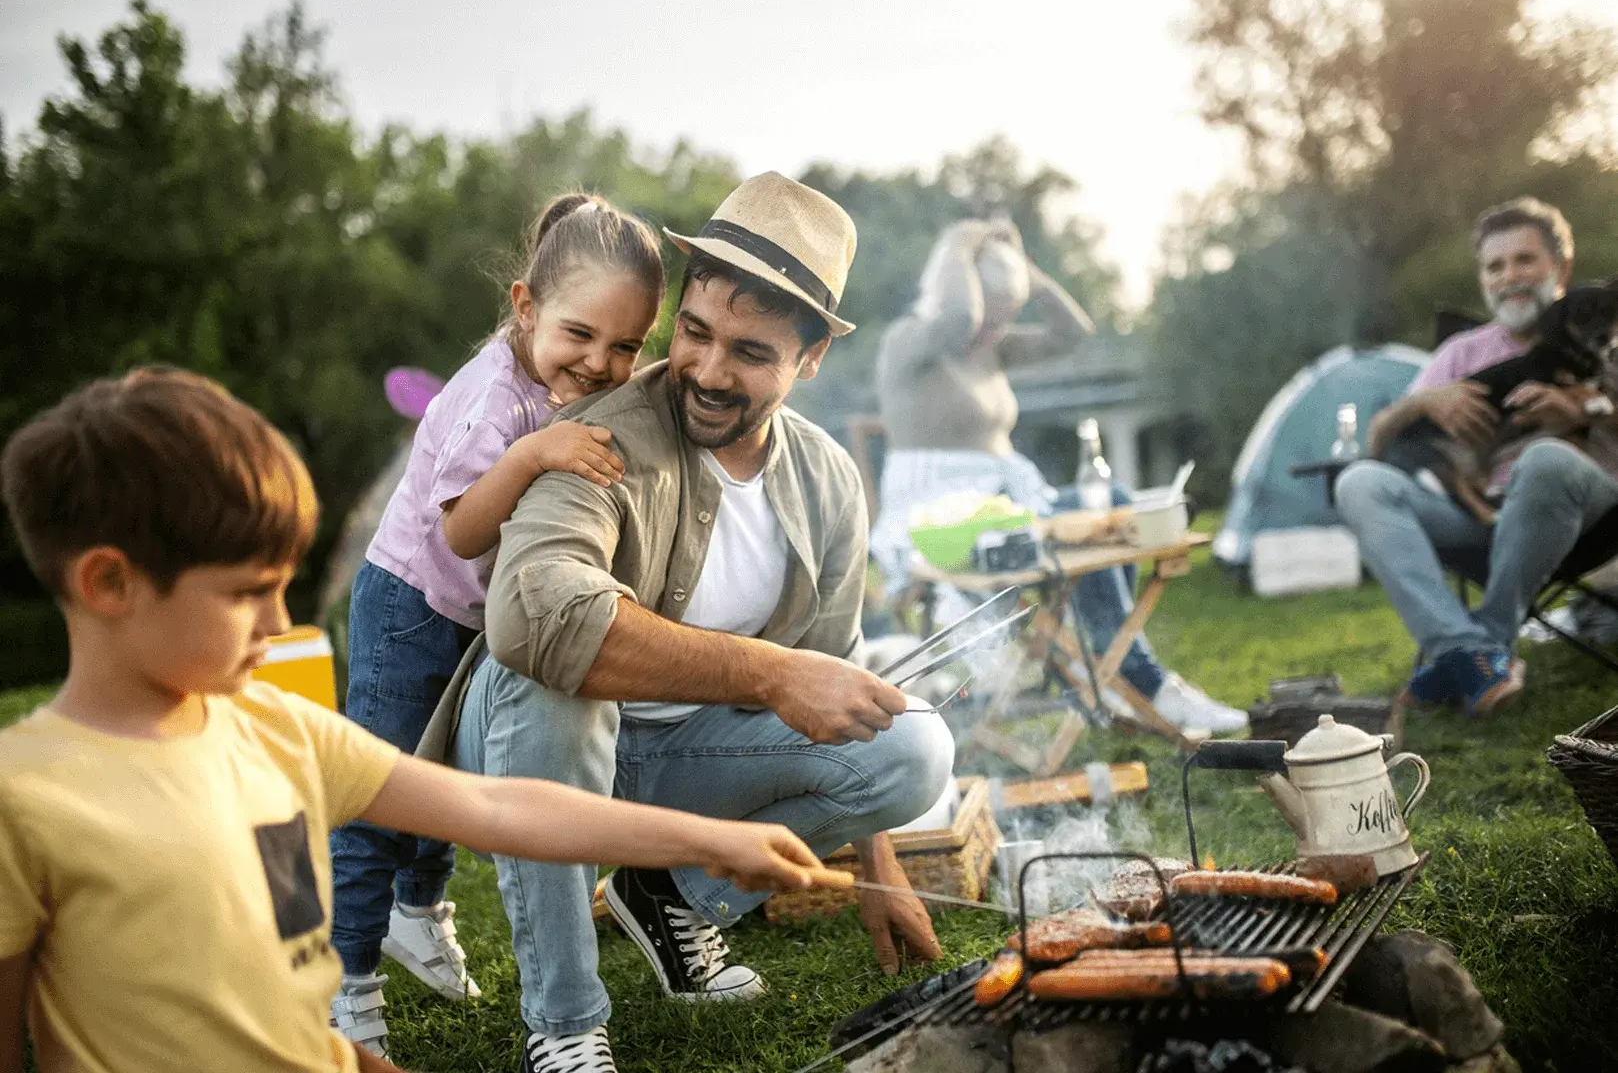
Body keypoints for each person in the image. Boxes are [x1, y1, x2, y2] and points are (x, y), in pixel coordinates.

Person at [0, 368, 842, 1073]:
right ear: (110, 584)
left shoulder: (278, 731)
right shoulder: (28, 805)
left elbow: (499, 808)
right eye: (247, 593)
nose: (278, 619)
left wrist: (710, 844)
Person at [416, 172, 956, 1073]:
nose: (706, 371)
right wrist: (770, 674)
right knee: (553, 679)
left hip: (687, 762)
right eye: (694, 333)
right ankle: (564, 1022)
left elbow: (837, 675)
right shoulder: (599, 433)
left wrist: (879, 864)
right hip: (532, 749)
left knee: (916, 748)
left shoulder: (827, 482)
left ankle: (670, 894)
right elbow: (535, 614)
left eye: (749, 352)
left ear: (810, 357)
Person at [326, 194, 665, 1055]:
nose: (599, 361)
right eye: (580, 335)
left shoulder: (560, 379)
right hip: (410, 604)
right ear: (526, 307)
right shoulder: (492, 401)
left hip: (476, 613)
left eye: (626, 346)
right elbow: (462, 531)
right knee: (383, 789)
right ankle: (345, 985)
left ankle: (416, 914)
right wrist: (534, 455)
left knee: (438, 776)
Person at [870, 219, 1247, 733]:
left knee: (1108, 500)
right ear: (960, 289)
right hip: (940, 515)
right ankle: (1135, 680)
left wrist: (1027, 270)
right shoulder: (910, 341)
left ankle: (1109, 669)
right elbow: (960, 318)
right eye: (991, 312)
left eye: (1006, 315)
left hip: (1008, 502)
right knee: (1079, 514)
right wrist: (962, 239)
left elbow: (1075, 331)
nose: (995, 327)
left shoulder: (993, 347)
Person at [1337, 197, 1618, 714]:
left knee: (1546, 459)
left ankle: (1475, 646)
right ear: (1483, 279)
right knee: (1358, 482)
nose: (1510, 276)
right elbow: (1378, 443)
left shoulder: (1606, 333)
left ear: (1561, 266)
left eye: (1525, 259)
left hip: (1590, 515)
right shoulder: (1461, 354)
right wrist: (1422, 401)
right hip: (1481, 515)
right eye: (1495, 265)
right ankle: (1470, 655)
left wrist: (1582, 412)